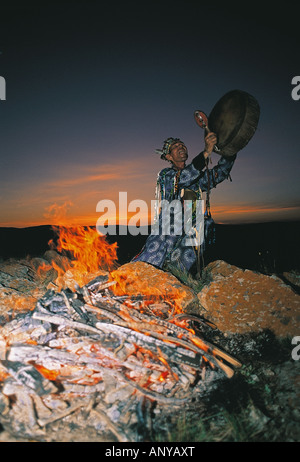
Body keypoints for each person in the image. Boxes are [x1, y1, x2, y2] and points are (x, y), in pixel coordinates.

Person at [132, 132, 236, 273]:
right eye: (175, 146)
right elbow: (183, 178)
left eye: (182, 144)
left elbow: (219, 174)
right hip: (167, 231)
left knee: (179, 271)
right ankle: (126, 280)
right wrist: (206, 152)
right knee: (148, 264)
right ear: (169, 157)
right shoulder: (166, 175)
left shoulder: (197, 178)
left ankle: (173, 286)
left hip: (190, 229)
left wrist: (231, 151)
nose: (180, 146)